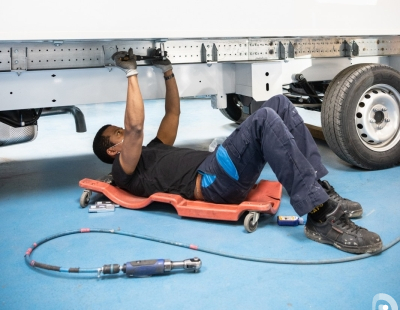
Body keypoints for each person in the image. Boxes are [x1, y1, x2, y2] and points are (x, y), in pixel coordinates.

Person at [93, 49, 382, 255]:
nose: (123, 131)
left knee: (278, 104)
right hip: (211, 182)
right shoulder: (124, 170)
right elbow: (135, 128)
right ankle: (320, 216)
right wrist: (131, 73)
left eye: (119, 129)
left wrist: (167, 71)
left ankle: (320, 191)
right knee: (264, 120)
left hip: (216, 168)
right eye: (116, 133)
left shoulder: (154, 149)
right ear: (113, 150)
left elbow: (173, 112)